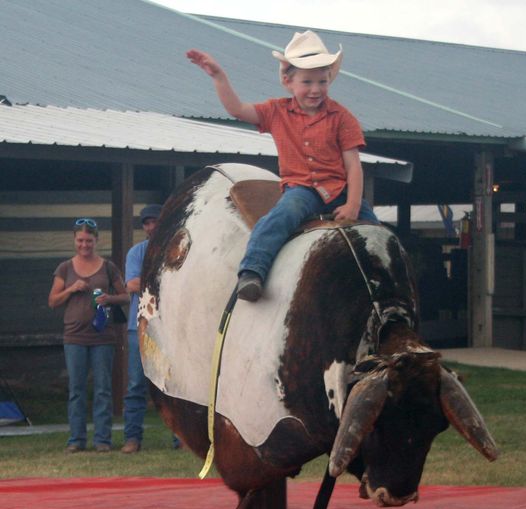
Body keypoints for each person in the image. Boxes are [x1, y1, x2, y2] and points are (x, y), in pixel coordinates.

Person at [187, 30, 378, 302]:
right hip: (302, 189)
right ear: (288, 82)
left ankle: (384, 287)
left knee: (377, 234)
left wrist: (353, 205)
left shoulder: (342, 117)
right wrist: (219, 76)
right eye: (307, 81)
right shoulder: (276, 111)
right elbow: (238, 109)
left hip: (341, 189)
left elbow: (354, 166)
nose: (315, 89)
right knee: (280, 217)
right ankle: (253, 271)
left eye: (322, 81)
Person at [48, 218, 129, 453]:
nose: (85, 245)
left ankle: (102, 439)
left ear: (97, 241)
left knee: (103, 388)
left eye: (89, 241)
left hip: (102, 335)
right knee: (77, 389)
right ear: (74, 240)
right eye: (80, 240)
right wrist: (71, 289)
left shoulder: (108, 267)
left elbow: (125, 296)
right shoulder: (65, 268)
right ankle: (76, 440)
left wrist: (108, 298)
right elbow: (52, 301)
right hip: (74, 337)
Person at [120, 204, 161, 453]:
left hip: (169, 326)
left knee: (170, 385)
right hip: (140, 325)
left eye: (154, 221)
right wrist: (161, 279)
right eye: (146, 223)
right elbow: (131, 284)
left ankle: (181, 439)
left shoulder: (176, 248)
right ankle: (132, 438)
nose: (150, 226)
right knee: (136, 384)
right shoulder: (137, 252)